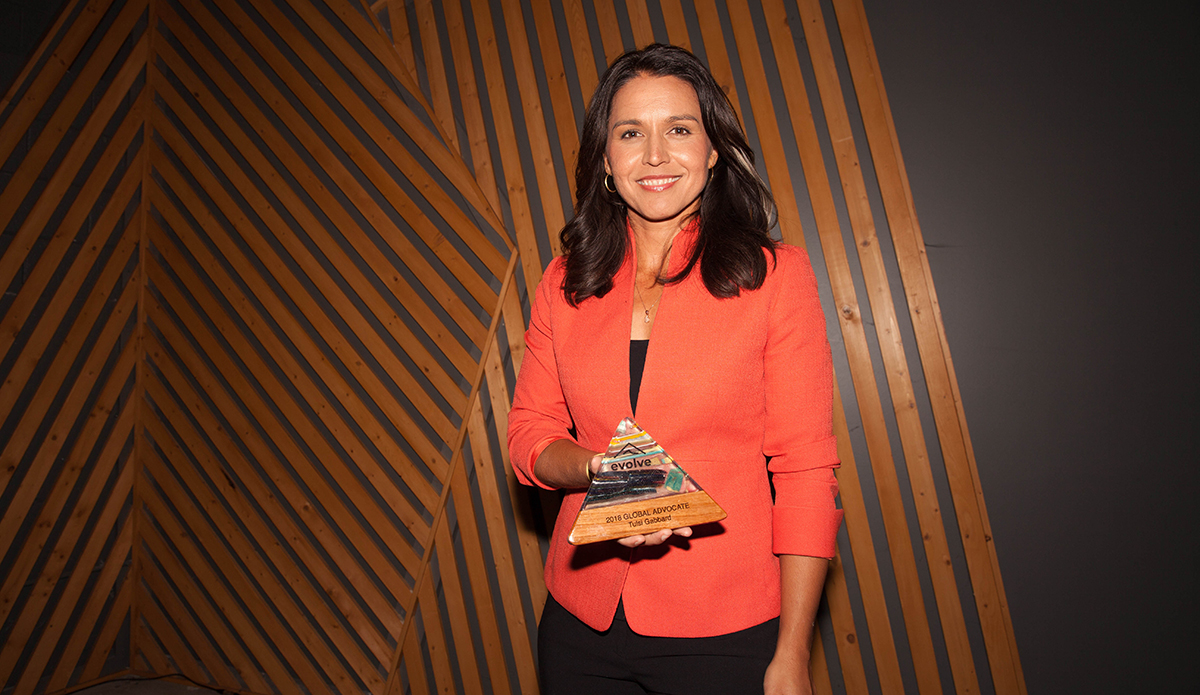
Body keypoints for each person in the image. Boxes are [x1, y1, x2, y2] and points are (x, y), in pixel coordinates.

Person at [507, 44, 843, 695]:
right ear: (607, 157)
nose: (655, 155)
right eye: (630, 133)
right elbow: (529, 434)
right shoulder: (565, 280)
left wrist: (794, 652)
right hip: (581, 623)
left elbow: (806, 470)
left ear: (713, 150)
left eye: (679, 130)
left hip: (726, 629)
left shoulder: (776, 277)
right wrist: (596, 467)